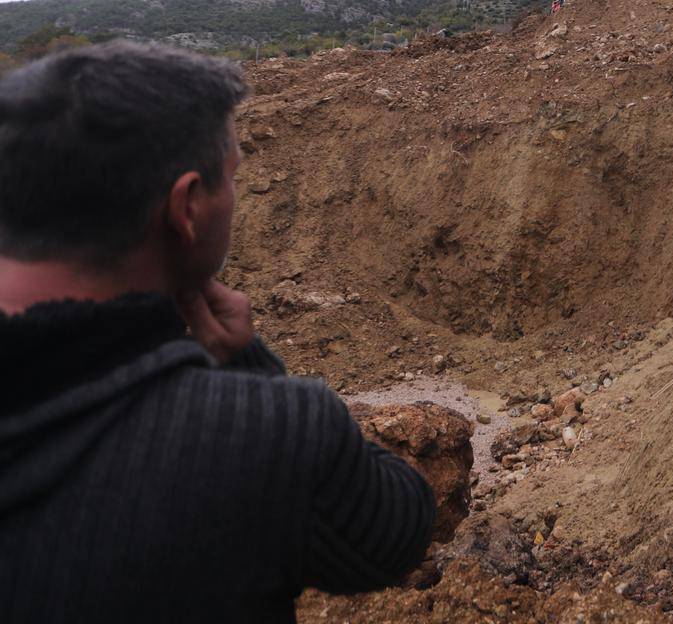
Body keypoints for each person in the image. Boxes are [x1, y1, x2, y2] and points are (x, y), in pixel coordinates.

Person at [0, 41, 435, 623]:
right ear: (187, 207)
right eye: (231, 175)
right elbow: (395, 531)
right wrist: (249, 365)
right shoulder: (267, 436)